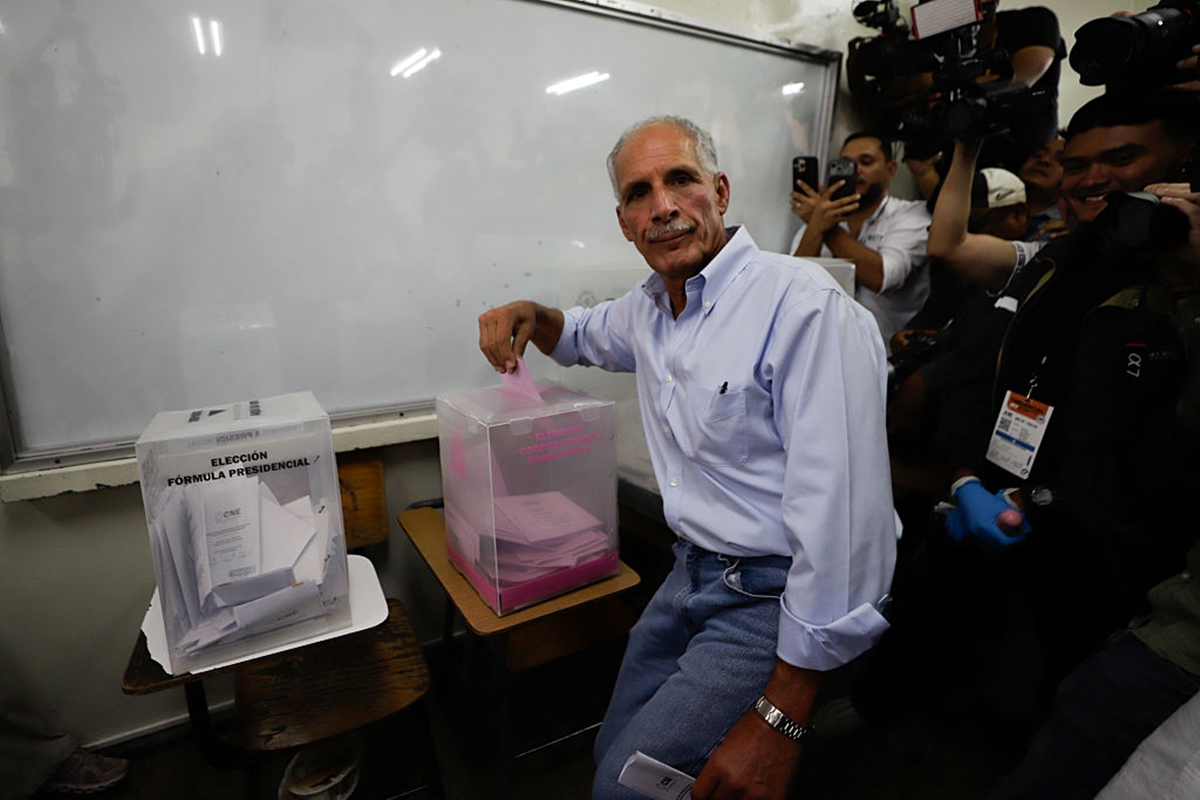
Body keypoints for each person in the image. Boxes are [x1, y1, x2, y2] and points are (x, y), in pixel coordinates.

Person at [477, 116, 899, 799]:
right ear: (624, 222)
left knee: (625, 788)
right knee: (613, 754)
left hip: (772, 593)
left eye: (681, 179)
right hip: (691, 573)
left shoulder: (804, 307)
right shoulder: (650, 309)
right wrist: (530, 311)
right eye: (639, 193)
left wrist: (782, 719)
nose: (663, 206)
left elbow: (846, 527)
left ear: (720, 190)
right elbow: (578, 334)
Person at [846, 88, 1200, 758]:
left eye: (1122, 159)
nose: (1093, 179)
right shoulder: (1051, 261)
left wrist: (1189, 284)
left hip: (1109, 554)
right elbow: (976, 370)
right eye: (1078, 164)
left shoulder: (1182, 286)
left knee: (1052, 712)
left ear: (1183, 160)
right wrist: (964, 478)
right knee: (919, 657)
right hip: (995, 500)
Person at [789, 132, 931, 351]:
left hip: (887, 356)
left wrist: (825, 227)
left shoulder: (912, 214)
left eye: (866, 162)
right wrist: (816, 226)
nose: (855, 171)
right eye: (845, 164)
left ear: (891, 170)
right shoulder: (818, 221)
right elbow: (794, 287)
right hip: (825, 350)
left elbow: (881, 277)